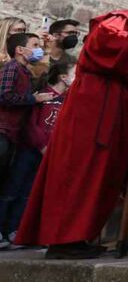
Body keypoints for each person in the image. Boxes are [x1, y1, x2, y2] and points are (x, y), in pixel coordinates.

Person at [17, 0, 128, 259]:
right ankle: (63, 238)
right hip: (95, 101)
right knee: (81, 166)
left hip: (114, 101)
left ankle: (78, 234)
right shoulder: (124, 19)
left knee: (101, 170)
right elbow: (101, 41)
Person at [0, 56, 75, 244]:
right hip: (30, 150)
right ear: (63, 77)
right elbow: (31, 125)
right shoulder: (42, 96)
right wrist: (42, 145)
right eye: (76, 73)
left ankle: (14, 229)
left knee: (28, 192)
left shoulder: (68, 100)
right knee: (11, 190)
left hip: (49, 152)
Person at [0, 32, 55, 246]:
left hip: (12, 133)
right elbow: (4, 95)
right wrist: (32, 99)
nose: (38, 49)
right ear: (20, 50)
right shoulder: (13, 68)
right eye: (34, 45)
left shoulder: (25, 71)